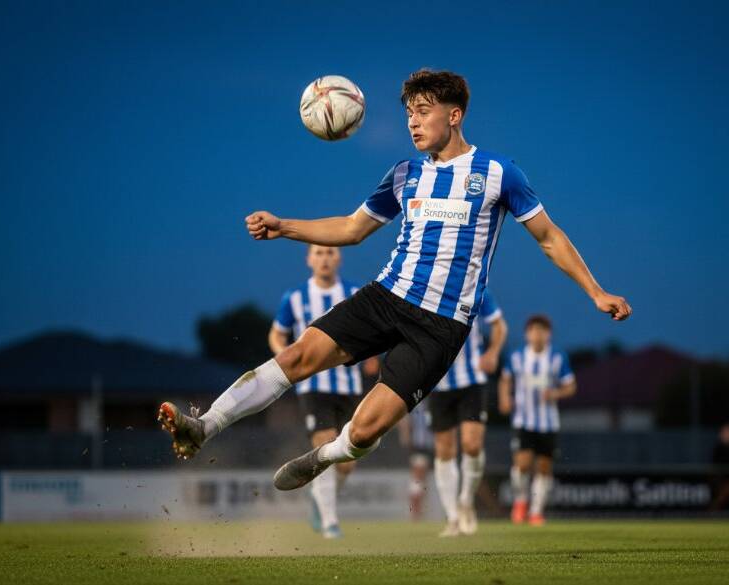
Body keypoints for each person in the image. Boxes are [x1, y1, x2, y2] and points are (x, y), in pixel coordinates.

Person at [158, 69, 631, 494]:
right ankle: (204, 426)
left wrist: (596, 291)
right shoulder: (404, 174)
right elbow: (351, 229)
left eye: (423, 112)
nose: (413, 122)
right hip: (387, 297)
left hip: (440, 327)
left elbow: (548, 237)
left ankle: (323, 456)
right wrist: (284, 226)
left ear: (455, 115)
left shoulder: (497, 173)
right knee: (296, 355)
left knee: (364, 432)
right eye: (409, 113)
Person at [267, 244, 377, 538]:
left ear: (338, 258)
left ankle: (319, 497)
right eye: (318, 253)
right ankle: (330, 523)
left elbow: (373, 332)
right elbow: (277, 333)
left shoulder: (355, 293)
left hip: (348, 386)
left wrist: (372, 355)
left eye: (330, 253)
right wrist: (286, 358)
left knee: (346, 462)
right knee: (324, 442)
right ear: (309, 259)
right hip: (313, 387)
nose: (324, 258)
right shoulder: (294, 297)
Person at [428, 291, 506, 537]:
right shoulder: (423, 288)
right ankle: (452, 517)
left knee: (472, 445)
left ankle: (466, 502)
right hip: (438, 383)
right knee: (444, 449)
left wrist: (492, 353)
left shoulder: (477, 290)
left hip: (472, 380)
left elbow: (499, 326)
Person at [499, 315, 576, 526]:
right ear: (527, 334)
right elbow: (505, 379)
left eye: (542, 331)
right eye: (533, 330)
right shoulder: (517, 357)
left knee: (543, 467)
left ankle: (536, 511)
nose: (537, 335)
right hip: (523, 420)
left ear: (548, 334)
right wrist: (505, 398)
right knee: (522, 464)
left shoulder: (557, 358)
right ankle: (521, 502)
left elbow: (571, 386)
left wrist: (555, 394)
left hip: (548, 422)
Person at [396, 400, 434, 522]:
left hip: (430, 444)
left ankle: (418, 513)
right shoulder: (417, 400)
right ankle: (415, 514)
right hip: (420, 445)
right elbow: (404, 419)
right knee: (417, 479)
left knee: (421, 480)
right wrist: (406, 437)